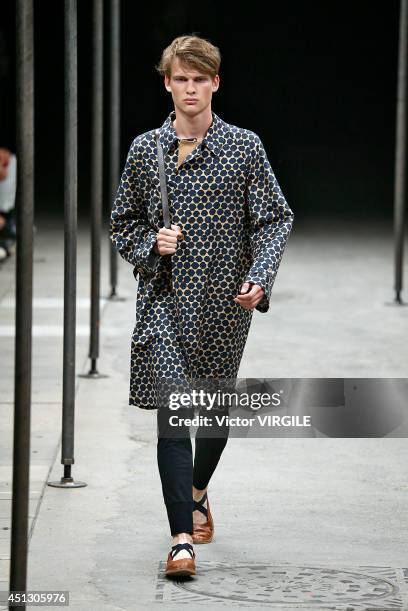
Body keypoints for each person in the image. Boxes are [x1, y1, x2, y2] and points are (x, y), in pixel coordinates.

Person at [110, 34, 294, 577]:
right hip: (165, 302)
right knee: (174, 416)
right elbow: (123, 222)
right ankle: (181, 540)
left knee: (212, 413)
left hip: (224, 304)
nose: (190, 89)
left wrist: (259, 278)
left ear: (215, 82)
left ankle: (196, 488)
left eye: (199, 79)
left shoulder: (244, 147)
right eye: (180, 79)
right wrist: (151, 244)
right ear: (167, 83)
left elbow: (274, 218)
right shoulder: (146, 150)